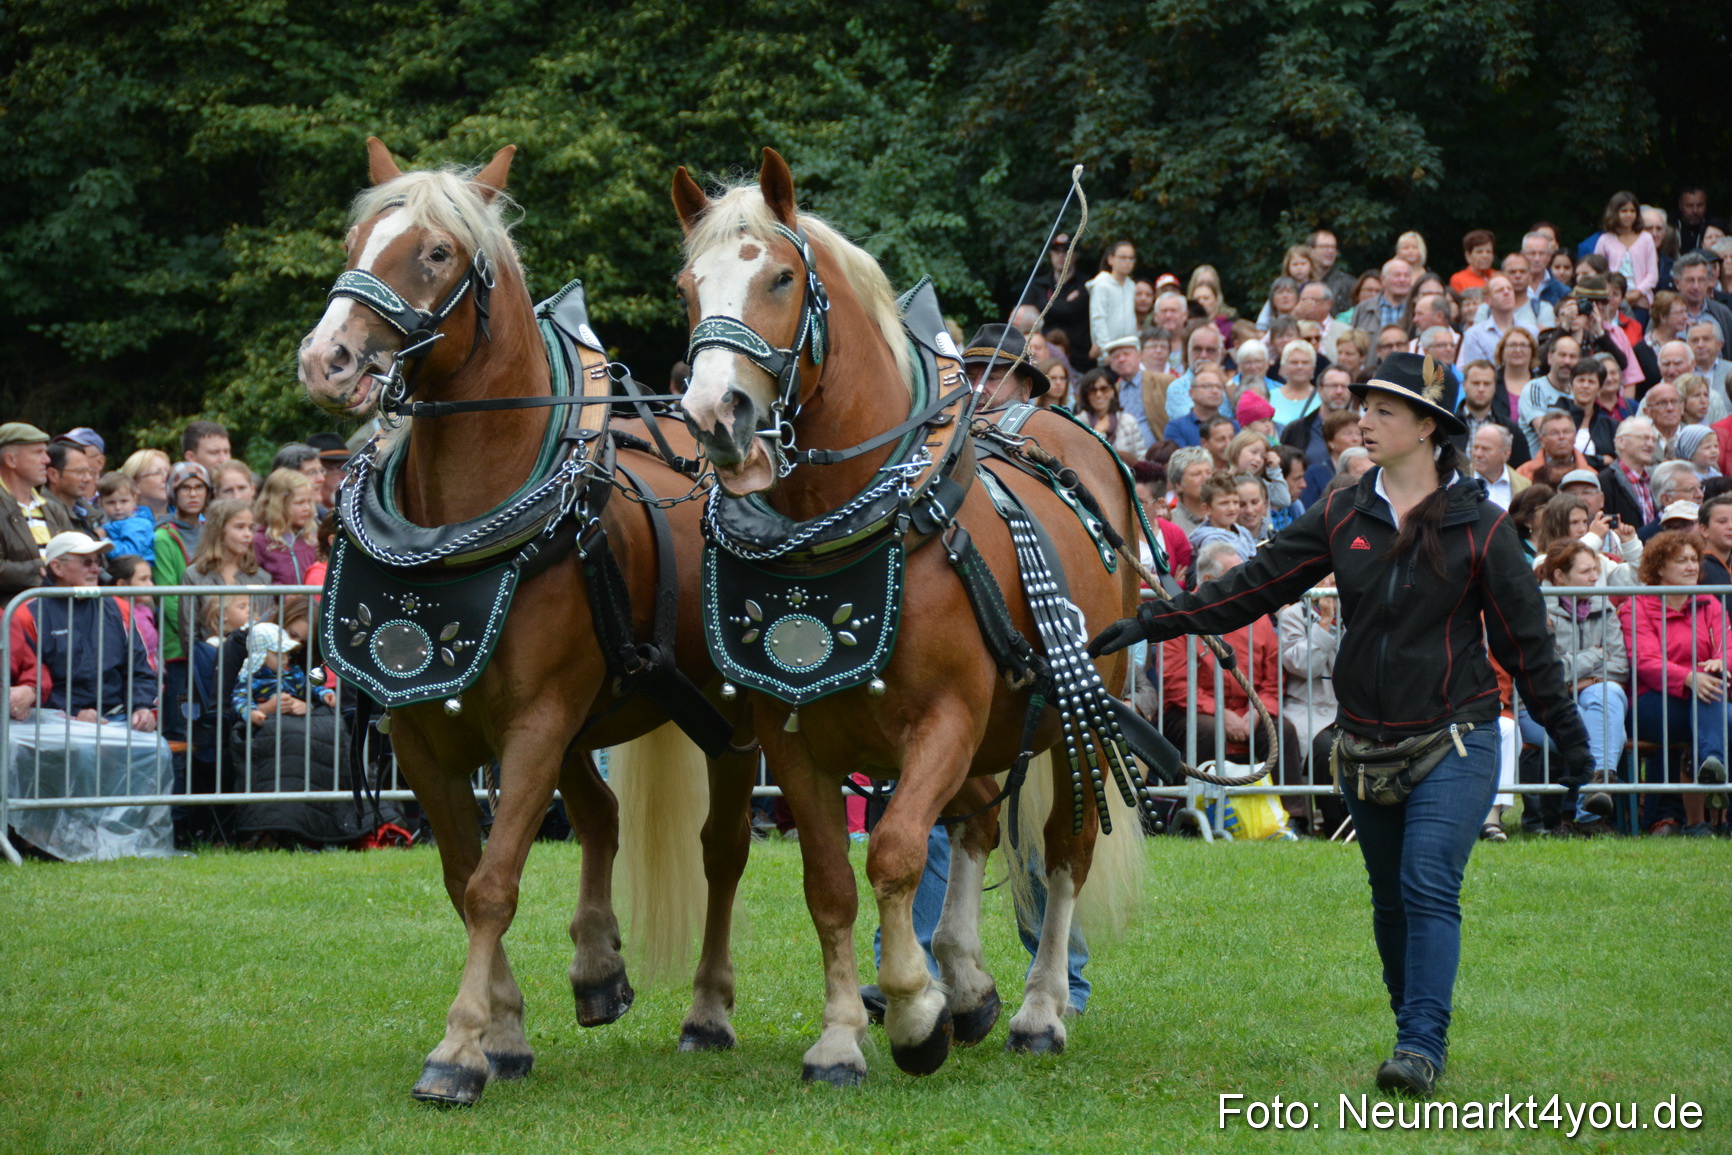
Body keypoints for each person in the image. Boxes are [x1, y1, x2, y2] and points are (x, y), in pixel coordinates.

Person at [1091, 352, 1591, 1098]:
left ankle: (1421, 1044)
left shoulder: (1482, 529)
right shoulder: (1341, 509)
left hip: (1457, 735)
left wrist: (1576, 748)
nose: (1366, 416)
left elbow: (1528, 649)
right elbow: (1253, 586)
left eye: (1385, 408)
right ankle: (1411, 1024)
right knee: (1389, 898)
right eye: (1364, 404)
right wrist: (1149, 621)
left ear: (1428, 426)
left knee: (1426, 883)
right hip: (1362, 745)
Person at [1620, 530, 1729, 837]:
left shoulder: (1711, 604)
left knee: (1712, 694)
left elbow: (1728, 647)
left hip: (1705, 703)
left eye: (1694, 559)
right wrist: (1689, 677)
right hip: (1653, 704)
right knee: (1713, 703)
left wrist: (1722, 662)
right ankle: (1713, 772)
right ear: (1658, 569)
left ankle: (1707, 788)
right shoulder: (1637, 606)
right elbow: (1645, 660)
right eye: (1681, 561)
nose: (1691, 566)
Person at [1523, 541, 1624, 835]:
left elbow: (1619, 667)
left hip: (1589, 697)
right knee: (1605, 728)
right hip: (1540, 708)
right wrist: (1596, 655)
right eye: (1586, 571)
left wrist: (1577, 680)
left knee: (1610, 693)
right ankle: (1591, 816)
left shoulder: (1604, 607)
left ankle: (1592, 796)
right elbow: (1549, 673)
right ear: (1559, 576)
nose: (1595, 577)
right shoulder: (1537, 609)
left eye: (1596, 570)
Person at [0, 423, 75, 602]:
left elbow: (73, 553)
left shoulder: (53, 508)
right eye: (38, 452)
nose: (47, 460)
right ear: (11, 460)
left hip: (55, 613)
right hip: (11, 619)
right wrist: (40, 569)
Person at [1020, 232, 1092, 371]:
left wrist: (1041, 304)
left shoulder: (1086, 284)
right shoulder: (1038, 284)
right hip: (1042, 358)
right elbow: (1023, 316)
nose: (1061, 256)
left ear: (1075, 255)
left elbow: (1072, 311)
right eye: (1056, 251)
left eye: (1066, 251)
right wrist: (1066, 303)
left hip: (1079, 359)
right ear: (1050, 254)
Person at [253, 467, 319, 584]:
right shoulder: (260, 540)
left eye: (309, 501)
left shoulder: (310, 538)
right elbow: (257, 580)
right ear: (278, 504)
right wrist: (283, 595)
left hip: (308, 602)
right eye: (299, 503)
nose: (307, 508)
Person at [1593, 191, 1658, 308]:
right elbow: (1597, 269)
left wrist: (1637, 293)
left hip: (1640, 299)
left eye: (1632, 211)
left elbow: (1652, 275)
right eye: (1624, 211)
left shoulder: (1646, 238)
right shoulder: (1605, 239)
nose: (1629, 215)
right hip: (1611, 298)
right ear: (1615, 213)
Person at [1074, 368, 1146, 463]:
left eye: (1104, 389)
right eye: (1092, 390)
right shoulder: (1077, 423)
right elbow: (1080, 460)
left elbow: (1141, 460)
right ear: (1086, 394)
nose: (1099, 394)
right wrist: (1098, 432)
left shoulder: (1127, 421)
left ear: (1112, 391)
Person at [1187, 471, 1259, 562]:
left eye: (1236, 502)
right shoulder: (1211, 541)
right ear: (1207, 509)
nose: (1232, 508)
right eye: (1224, 503)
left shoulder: (1243, 532)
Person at [1086, 239, 1139, 362]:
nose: (1127, 262)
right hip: (1109, 354)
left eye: (1131, 258)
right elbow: (1098, 320)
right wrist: (1106, 353)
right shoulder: (1101, 285)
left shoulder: (1131, 286)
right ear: (1110, 259)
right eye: (1123, 258)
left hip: (1129, 350)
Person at [43, 441, 100, 538]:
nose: (88, 479)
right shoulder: (42, 514)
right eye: (80, 472)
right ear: (53, 475)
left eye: (89, 472)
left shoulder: (89, 513)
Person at [96, 472, 156, 561]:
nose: (118, 507)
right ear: (101, 504)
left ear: (134, 500)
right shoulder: (112, 524)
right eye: (111, 502)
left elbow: (130, 553)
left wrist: (103, 541)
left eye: (124, 501)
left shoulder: (137, 524)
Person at [1468, 425, 1529, 511]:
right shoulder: (1458, 481)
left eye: (1485, 449)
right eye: (1476, 447)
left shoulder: (1524, 486)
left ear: (1506, 452)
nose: (1478, 454)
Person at [1165, 446, 1215, 535]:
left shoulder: (1224, 514)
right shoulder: (1170, 524)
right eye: (1196, 474)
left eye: (1209, 472)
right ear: (1179, 484)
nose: (1206, 478)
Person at [119, 448, 172, 521]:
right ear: (134, 485)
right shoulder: (124, 522)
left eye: (168, 472)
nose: (166, 477)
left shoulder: (188, 516)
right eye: (157, 473)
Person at [1448, 229, 1496, 294]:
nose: (1485, 256)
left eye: (1488, 251)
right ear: (1468, 256)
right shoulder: (1458, 279)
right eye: (1479, 252)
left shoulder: (1497, 276)